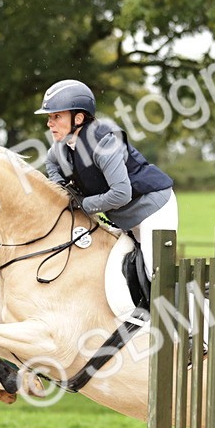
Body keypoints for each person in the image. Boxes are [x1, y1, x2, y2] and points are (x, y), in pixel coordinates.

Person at [36, 79, 176, 280]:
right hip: (123, 218)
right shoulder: (62, 145)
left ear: (78, 118)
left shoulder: (104, 144)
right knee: (111, 272)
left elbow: (121, 194)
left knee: (155, 275)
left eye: (57, 116)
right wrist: (62, 191)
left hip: (153, 210)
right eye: (50, 117)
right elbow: (51, 163)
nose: (49, 123)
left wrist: (82, 204)